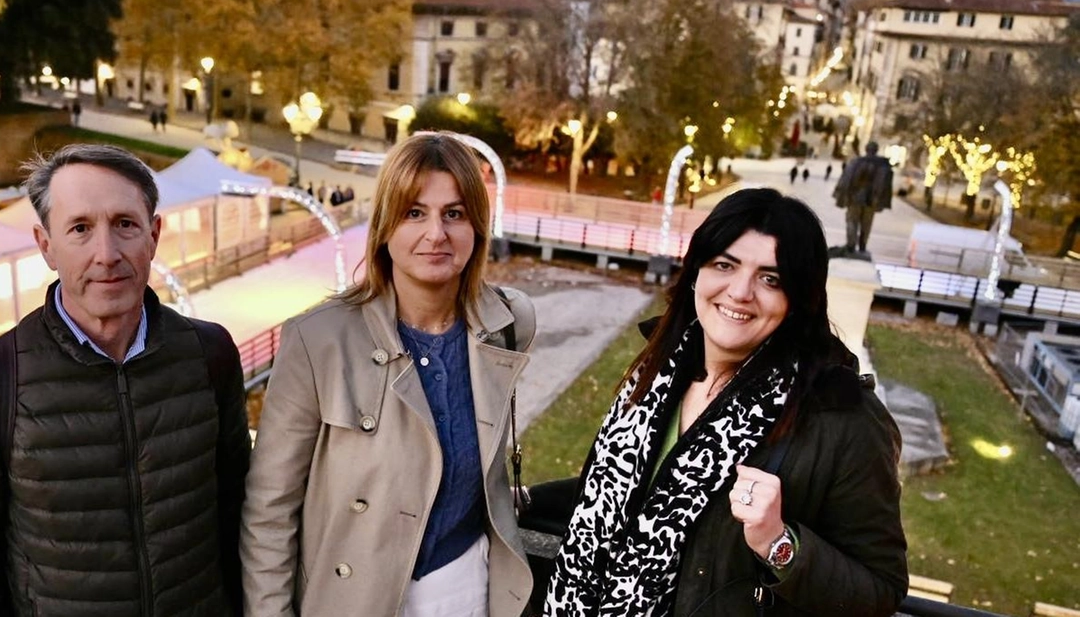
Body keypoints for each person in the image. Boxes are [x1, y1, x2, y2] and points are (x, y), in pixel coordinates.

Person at [543, 188, 907, 617]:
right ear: (696, 270)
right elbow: (622, 495)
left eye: (771, 279)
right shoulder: (659, 370)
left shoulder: (844, 420)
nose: (740, 292)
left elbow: (881, 588)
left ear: (798, 300)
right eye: (724, 265)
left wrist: (778, 543)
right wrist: (523, 500)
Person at [0, 144, 252, 616]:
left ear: (153, 235)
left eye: (125, 224)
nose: (107, 254)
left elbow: (235, 507)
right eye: (80, 228)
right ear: (46, 246)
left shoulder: (209, 354)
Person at [241, 132, 537, 617]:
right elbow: (269, 511)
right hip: (352, 599)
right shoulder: (319, 341)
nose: (436, 234)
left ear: (478, 227)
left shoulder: (507, 324)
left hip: (467, 588)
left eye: (454, 213)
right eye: (414, 213)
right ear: (384, 227)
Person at [833, 141, 894, 256]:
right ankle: (862, 246)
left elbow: (846, 180)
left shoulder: (856, 162)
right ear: (876, 150)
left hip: (855, 198)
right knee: (866, 224)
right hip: (872, 200)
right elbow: (886, 185)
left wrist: (841, 196)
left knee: (852, 221)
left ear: (866, 149)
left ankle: (851, 245)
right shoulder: (882, 165)